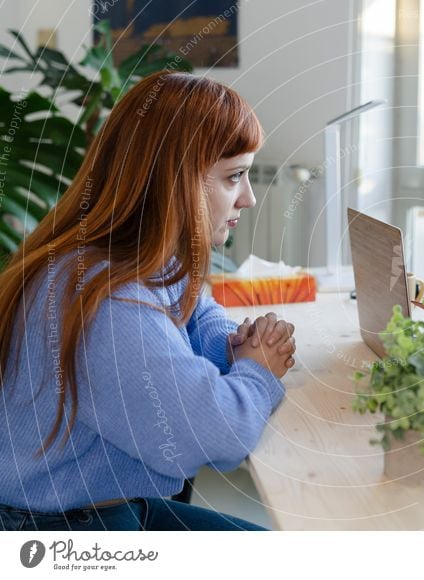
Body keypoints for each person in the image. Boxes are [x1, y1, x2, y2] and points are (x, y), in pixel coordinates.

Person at [0, 72, 297, 530]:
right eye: (234, 177)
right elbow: (216, 435)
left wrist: (230, 349)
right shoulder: (107, 302)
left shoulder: (133, 256)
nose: (249, 198)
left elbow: (197, 306)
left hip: (109, 505)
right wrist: (257, 372)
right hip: (61, 532)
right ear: (172, 180)